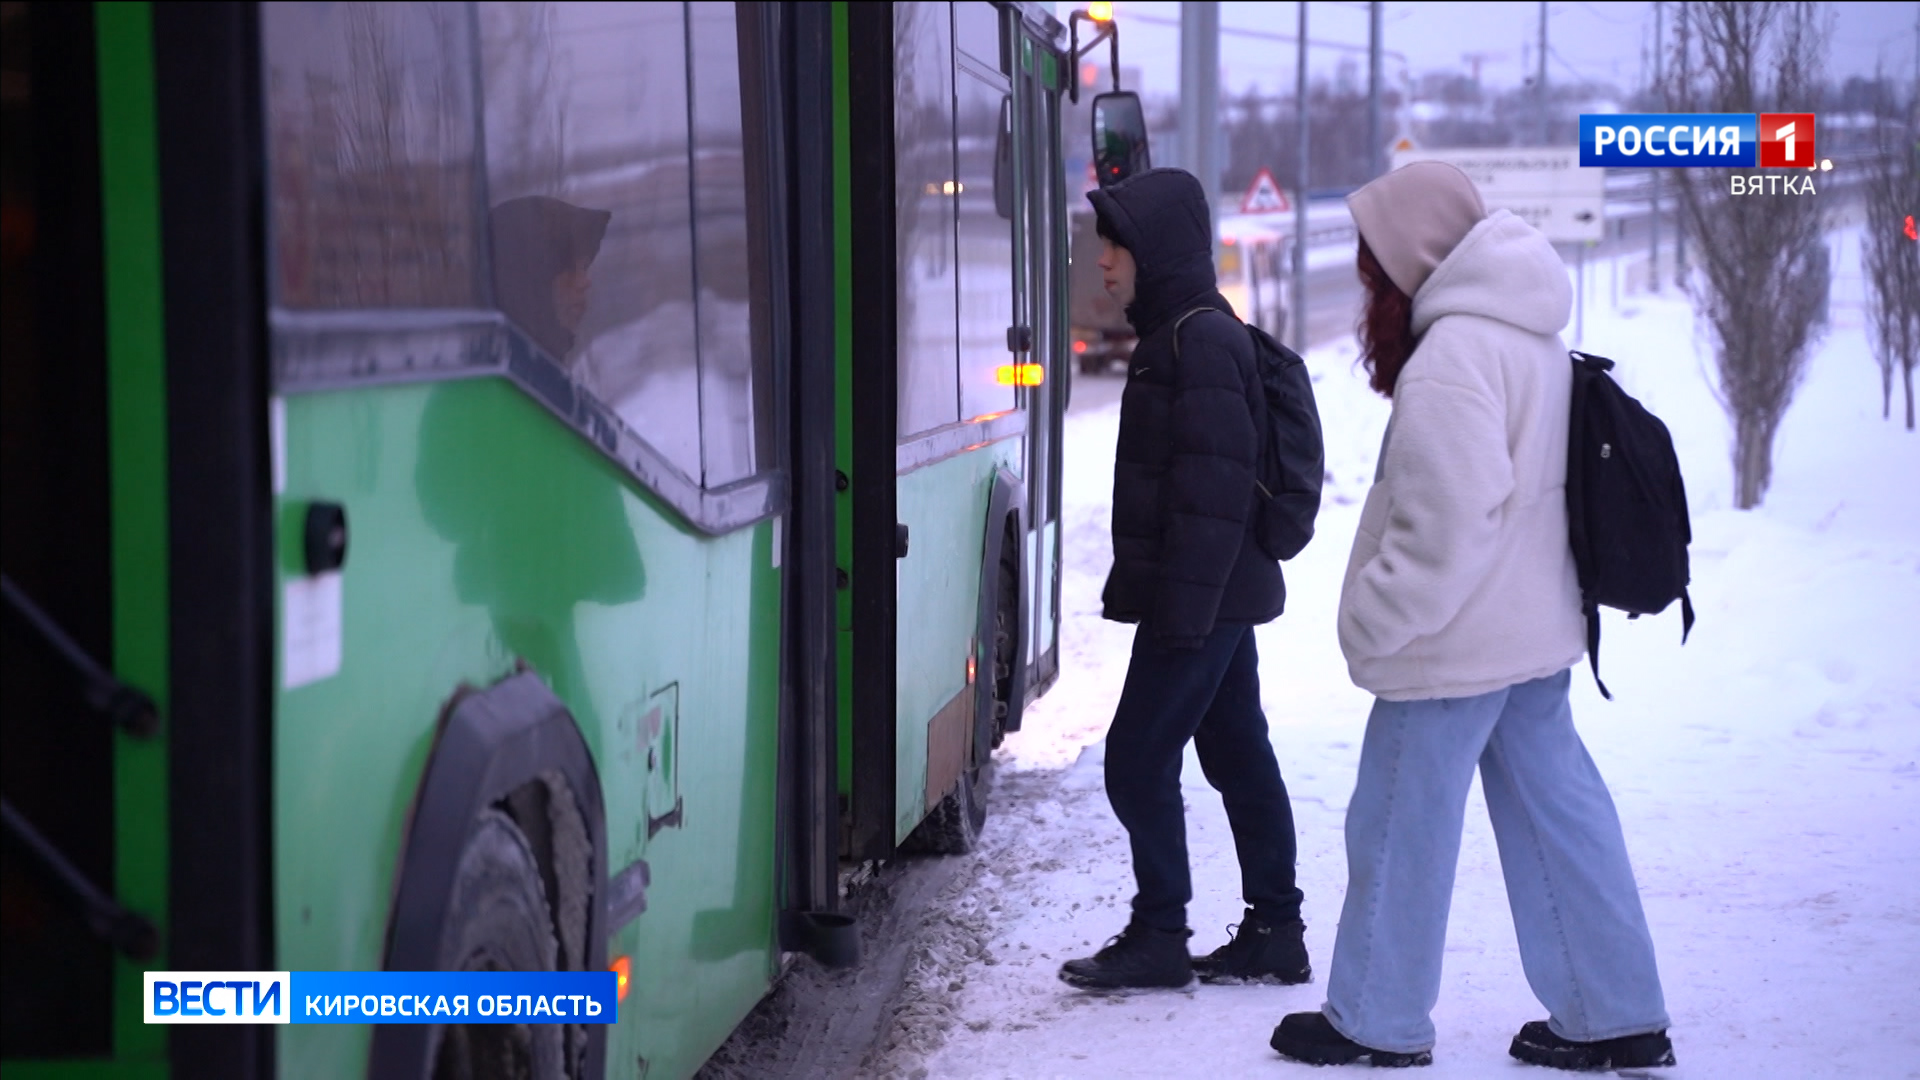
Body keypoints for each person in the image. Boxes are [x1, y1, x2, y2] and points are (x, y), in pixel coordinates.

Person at [1269, 161, 1675, 1071]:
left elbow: (1446, 525)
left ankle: (1376, 1017)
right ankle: (1616, 1011)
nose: (1366, 281)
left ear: (1409, 256)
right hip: (1531, 633)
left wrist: (1372, 620)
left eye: (1373, 263)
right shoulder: (1524, 333)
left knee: (1398, 825)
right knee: (1559, 820)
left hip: (1450, 647)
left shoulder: (1453, 356)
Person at [1057, 167, 1309, 992]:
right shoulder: (1185, 334)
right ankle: (1275, 928)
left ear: (1155, 250)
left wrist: (1180, 614)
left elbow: (1213, 488)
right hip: (1220, 591)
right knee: (1237, 751)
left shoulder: (1196, 342)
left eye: (1116, 245)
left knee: (1135, 758)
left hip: (1206, 594)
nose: (1102, 263)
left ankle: (1162, 931)